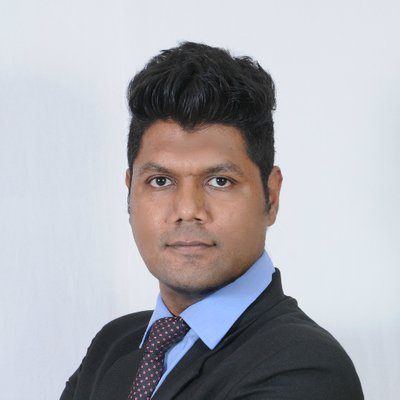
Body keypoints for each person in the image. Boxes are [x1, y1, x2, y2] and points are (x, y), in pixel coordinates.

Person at [60, 41, 364, 400]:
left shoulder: (305, 366)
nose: (188, 209)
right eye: (160, 181)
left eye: (220, 181)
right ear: (130, 193)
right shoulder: (113, 345)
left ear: (271, 196)